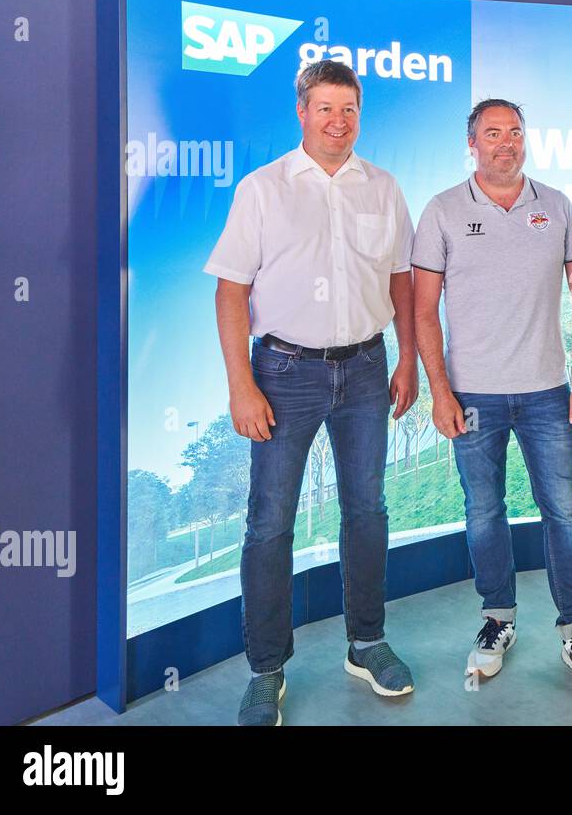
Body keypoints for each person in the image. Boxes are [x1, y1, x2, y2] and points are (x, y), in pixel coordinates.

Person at [205, 60, 419, 726]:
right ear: (302, 112)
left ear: (360, 113)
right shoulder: (263, 189)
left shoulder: (383, 188)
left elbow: (402, 280)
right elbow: (231, 289)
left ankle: (366, 642)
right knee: (270, 524)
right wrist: (241, 385)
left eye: (349, 109)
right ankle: (267, 670)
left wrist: (407, 357)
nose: (338, 121)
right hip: (284, 374)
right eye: (325, 108)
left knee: (368, 511)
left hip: (363, 371)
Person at [411, 99, 572, 693]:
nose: (506, 143)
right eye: (493, 133)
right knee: (484, 513)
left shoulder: (556, 206)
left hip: (549, 392)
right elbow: (424, 311)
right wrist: (438, 389)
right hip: (472, 395)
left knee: (566, 514)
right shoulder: (443, 210)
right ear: (471, 143)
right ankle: (497, 619)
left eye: (516, 133)